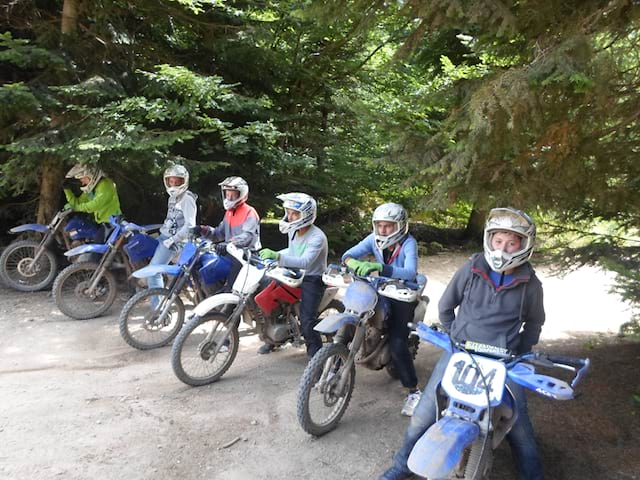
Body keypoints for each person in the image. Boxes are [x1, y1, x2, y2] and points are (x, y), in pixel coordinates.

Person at [379, 207, 545, 480]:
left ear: (524, 245)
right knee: (424, 413)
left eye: (512, 242)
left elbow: (535, 322)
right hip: (462, 351)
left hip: (504, 359)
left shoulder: (530, 283)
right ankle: (401, 465)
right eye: (498, 241)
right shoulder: (472, 268)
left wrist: (522, 351)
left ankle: (532, 474)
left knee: (520, 426)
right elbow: (446, 307)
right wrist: (454, 336)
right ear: (489, 240)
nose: (503, 248)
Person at [342, 202, 422, 417]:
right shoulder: (373, 240)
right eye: (379, 226)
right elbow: (348, 254)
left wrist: (382, 268)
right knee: (350, 320)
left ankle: (413, 391)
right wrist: (352, 262)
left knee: (397, 342)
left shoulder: (408, 244)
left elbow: (410, 272)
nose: (383, 231)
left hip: (403, 294)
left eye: (388, 226)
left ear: (400, 226)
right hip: (380, 289)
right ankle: (332, 365)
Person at [258, 192, 327, 358]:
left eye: (294, 213)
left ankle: (316, 355)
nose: (290, 217)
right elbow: (293, 251)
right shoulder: (294, 230)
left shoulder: (317, 237)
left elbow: (305, 261)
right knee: (265, 292)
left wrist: (277, 257)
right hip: (294, 273)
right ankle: (273, 337)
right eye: (288, 212)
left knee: (307, 321)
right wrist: (274, 256)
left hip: (313, 278)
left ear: (306, 214)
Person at [197, 176, 261, 289]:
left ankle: (229, 305)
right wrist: (202, 229)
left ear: (241, 194)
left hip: (246, 256)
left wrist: (230, 243)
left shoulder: (250, 212)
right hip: (230, 253)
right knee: (207, 270)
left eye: (233, 194)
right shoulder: (229, 213)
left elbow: (248, 236)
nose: (229, 197)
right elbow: (218, 234)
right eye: (227, 194)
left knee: (232, 287)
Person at [147, 165, 198, 293]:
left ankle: (158, 310)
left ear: (184, 181)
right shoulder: (172, 198)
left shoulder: (187, 199)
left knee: (153, 272)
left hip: (175, 241)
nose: (174, 185)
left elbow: (190, 225)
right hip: (165, 237)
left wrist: (174, 239)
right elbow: (171, 220)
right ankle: (142, 292)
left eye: (177, 182)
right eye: (171, 182)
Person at [63, 163, 122, 241]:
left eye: (83, 179)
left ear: (91, 175)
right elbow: (77, 203)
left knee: (95, 250)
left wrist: (75, 208)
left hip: (112, 223)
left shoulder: (105, 184)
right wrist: (66, 189)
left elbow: (95, 205)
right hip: (101, 223)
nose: (82, 182)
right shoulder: (92, 189)